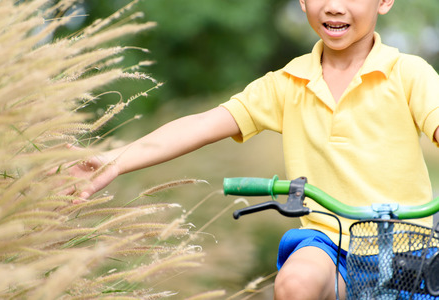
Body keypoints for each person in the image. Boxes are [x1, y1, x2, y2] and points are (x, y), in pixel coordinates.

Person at [63, 0, 439, 299]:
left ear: (385, 1)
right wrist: (115, 159)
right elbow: (202, 124)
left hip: (412, 244)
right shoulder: (286, 83)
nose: (334, 6)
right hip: (330, 241)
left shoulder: (409, 73)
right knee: (296, 285)